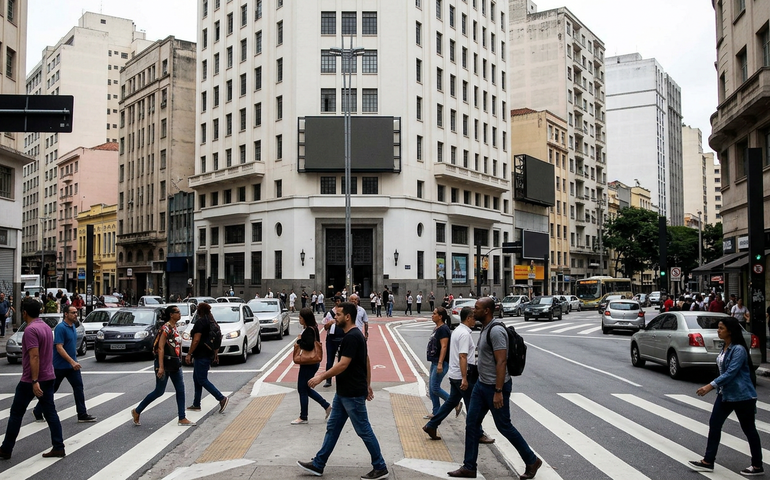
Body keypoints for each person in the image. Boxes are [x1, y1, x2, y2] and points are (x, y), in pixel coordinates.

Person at [448, 297, 542, 479]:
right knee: (472, 424)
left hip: (495, 388)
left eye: (476, 308)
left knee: (504, 426)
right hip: (481, 386)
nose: (473, 311)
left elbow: (501, 361)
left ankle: (532, 460)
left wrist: (498, 391)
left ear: (487, 311)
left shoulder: (496, 331)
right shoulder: (484, 328)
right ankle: (469, 467)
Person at [297, 302, 389, 480]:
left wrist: (321, 377)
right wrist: (368, 384)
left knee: (364, 430)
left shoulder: (352, 337)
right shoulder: (352, 336)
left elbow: (343, 364)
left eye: (338, 315)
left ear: (347, 317)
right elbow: (366, 361)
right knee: (332, 428)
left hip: (352, 394)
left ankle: (380, 466)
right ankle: (318, 463)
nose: (334, 318)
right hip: (343, 393)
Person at [689, 317, 763, 476]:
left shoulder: (738, 350)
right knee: (714, 424)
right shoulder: (725, 347)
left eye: (721, 328)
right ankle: (708, 461)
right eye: (718, 328)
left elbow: (731, 373)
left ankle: (757, 466)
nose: (718, 330)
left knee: (749, 429)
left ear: (730, 330)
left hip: (742, 396)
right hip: (725, 395)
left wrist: (710, 386)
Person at [0, 299, 65, 459]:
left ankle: (6, 449)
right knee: (50, 413)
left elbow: (34, 356)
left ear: (24, 312)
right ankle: (58, 446)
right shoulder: (46, 327)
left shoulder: (30, 330)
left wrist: (34, 381)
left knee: (16, 413)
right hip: (49, 375)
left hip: (32, 379)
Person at [423, 306, 494, 445]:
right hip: (462, 375)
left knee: (451, 402)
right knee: (473, 406)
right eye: (473, 317)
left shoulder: (457, 331)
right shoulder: (464, 334)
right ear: (468, 318)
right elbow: (463, 356)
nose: (475, 320)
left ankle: (431, 425)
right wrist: (465, 378)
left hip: (454, 374)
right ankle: (478, 433)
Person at [132, 305, 195, 427]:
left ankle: (182, 417)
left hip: (175, 363)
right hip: (165, 364)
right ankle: (137, 411)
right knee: (159, 391)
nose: (179, 314)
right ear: (171, 314)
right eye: (177, 312)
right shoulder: (165, 328)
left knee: (180, 390)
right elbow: (160, 348)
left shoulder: (175, 327)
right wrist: (161, 367)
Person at [32, 305, 97, 423]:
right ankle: (37, 410)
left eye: (76, 312)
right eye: (73, 313)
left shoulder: (72, 326)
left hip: (72, 366)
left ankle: (82, 414)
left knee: (78, 388)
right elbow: (59, 347)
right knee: (51, 390)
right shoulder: (60, 328)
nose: (76, 314)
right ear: (66, 314)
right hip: (59, 366)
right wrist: (72, 361)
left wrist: (74, 362)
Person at [184, 302, 229, 414]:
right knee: (197, 379)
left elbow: (196, 340)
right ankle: (196, 403)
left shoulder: (200, 323)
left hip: (201, 355)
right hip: (208, 354)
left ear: (199, 311)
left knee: (202, 379)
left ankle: (221, 398)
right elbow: (216, 340)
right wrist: (215, 354)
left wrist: (189, 353)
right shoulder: (212, 322)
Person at [292, 308, 332, 425]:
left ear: (305, 319)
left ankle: (303, 416)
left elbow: (309, 346)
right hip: (312, 363)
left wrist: (299, 341)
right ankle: (326, 406)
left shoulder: (309, 330)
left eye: (300, 318)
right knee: (305, 388)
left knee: (302, 388)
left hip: (309, 363)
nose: (299, 320)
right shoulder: (313, 327)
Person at [425, 307, 451, 419]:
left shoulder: (443, 329)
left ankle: (453, 402)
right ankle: (436, 412)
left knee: (435, 388)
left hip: (440, 362)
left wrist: (440, 363)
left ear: (440, 316)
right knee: (431, 389)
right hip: (434, 361)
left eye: (434, 313)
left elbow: (444, 346)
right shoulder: (437, 328)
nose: (432, 315)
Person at [321, 295, 344, 388]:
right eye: (336, 301)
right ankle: (328, 380)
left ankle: (341, 380)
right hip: (331, 338)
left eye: (339, 301)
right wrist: (329, 323)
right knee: (329, 360)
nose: (337, 302)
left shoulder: (345, 312)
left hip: (342, 338)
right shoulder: (330, 313)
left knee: (342, 361)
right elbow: (325, 327)